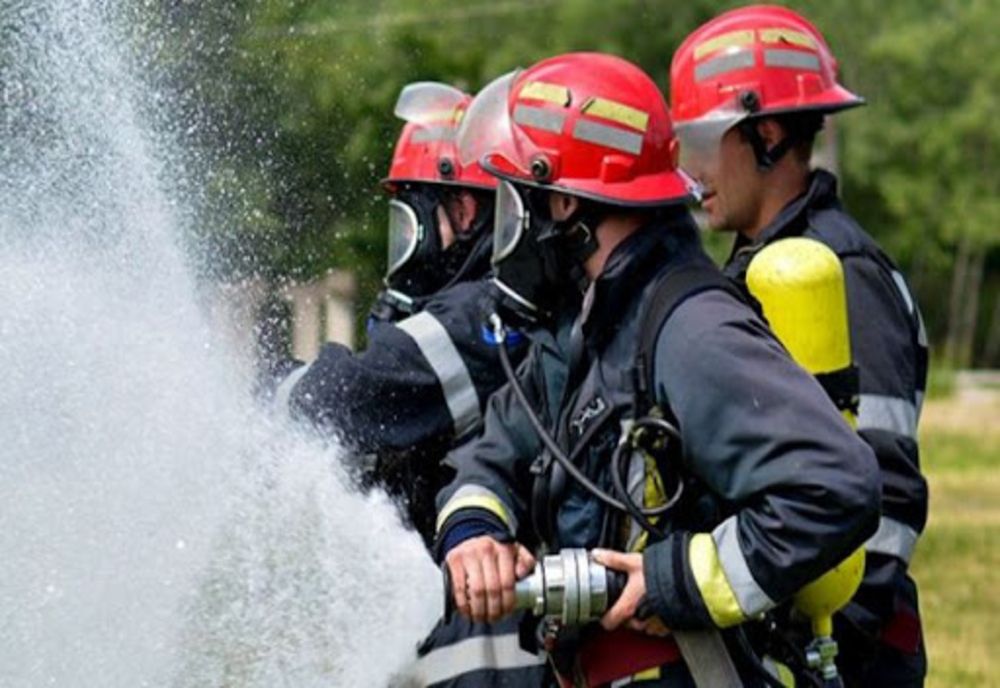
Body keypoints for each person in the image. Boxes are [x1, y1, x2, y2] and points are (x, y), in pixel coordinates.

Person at [436, 52, 881, 687]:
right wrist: (474, 530)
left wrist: (678, 580)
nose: (509, 231)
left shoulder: (691, 330)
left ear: (563, 205)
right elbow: (493, 452)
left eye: (516, 201)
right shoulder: (582, 331)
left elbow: (836, 485)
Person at [669, 7, 928, 685]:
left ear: (768, 135)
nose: (690, 169)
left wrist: (822, 641)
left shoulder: (842, 275)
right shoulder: (749, 268)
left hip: (842, 651)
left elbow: (887, 493)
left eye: (702, 140)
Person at [264, 82, 546, 687]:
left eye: (410, 220)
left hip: (500, 652)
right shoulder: (496, 309)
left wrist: (257, 383)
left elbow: (346, 399)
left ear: (463, 211)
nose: (406, 249)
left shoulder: (479, 320)